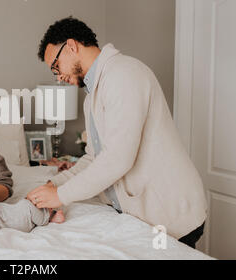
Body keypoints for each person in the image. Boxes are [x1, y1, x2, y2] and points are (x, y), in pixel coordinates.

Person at [26, 17, 207, 248]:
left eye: (56, 66)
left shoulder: (124, 74)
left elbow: (118, 159)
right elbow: (93, 158)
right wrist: (55, 183)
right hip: (144, 217)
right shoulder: (92, 97)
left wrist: (60, 196)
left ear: (71, 46)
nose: (58, 76)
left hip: (172, 212)